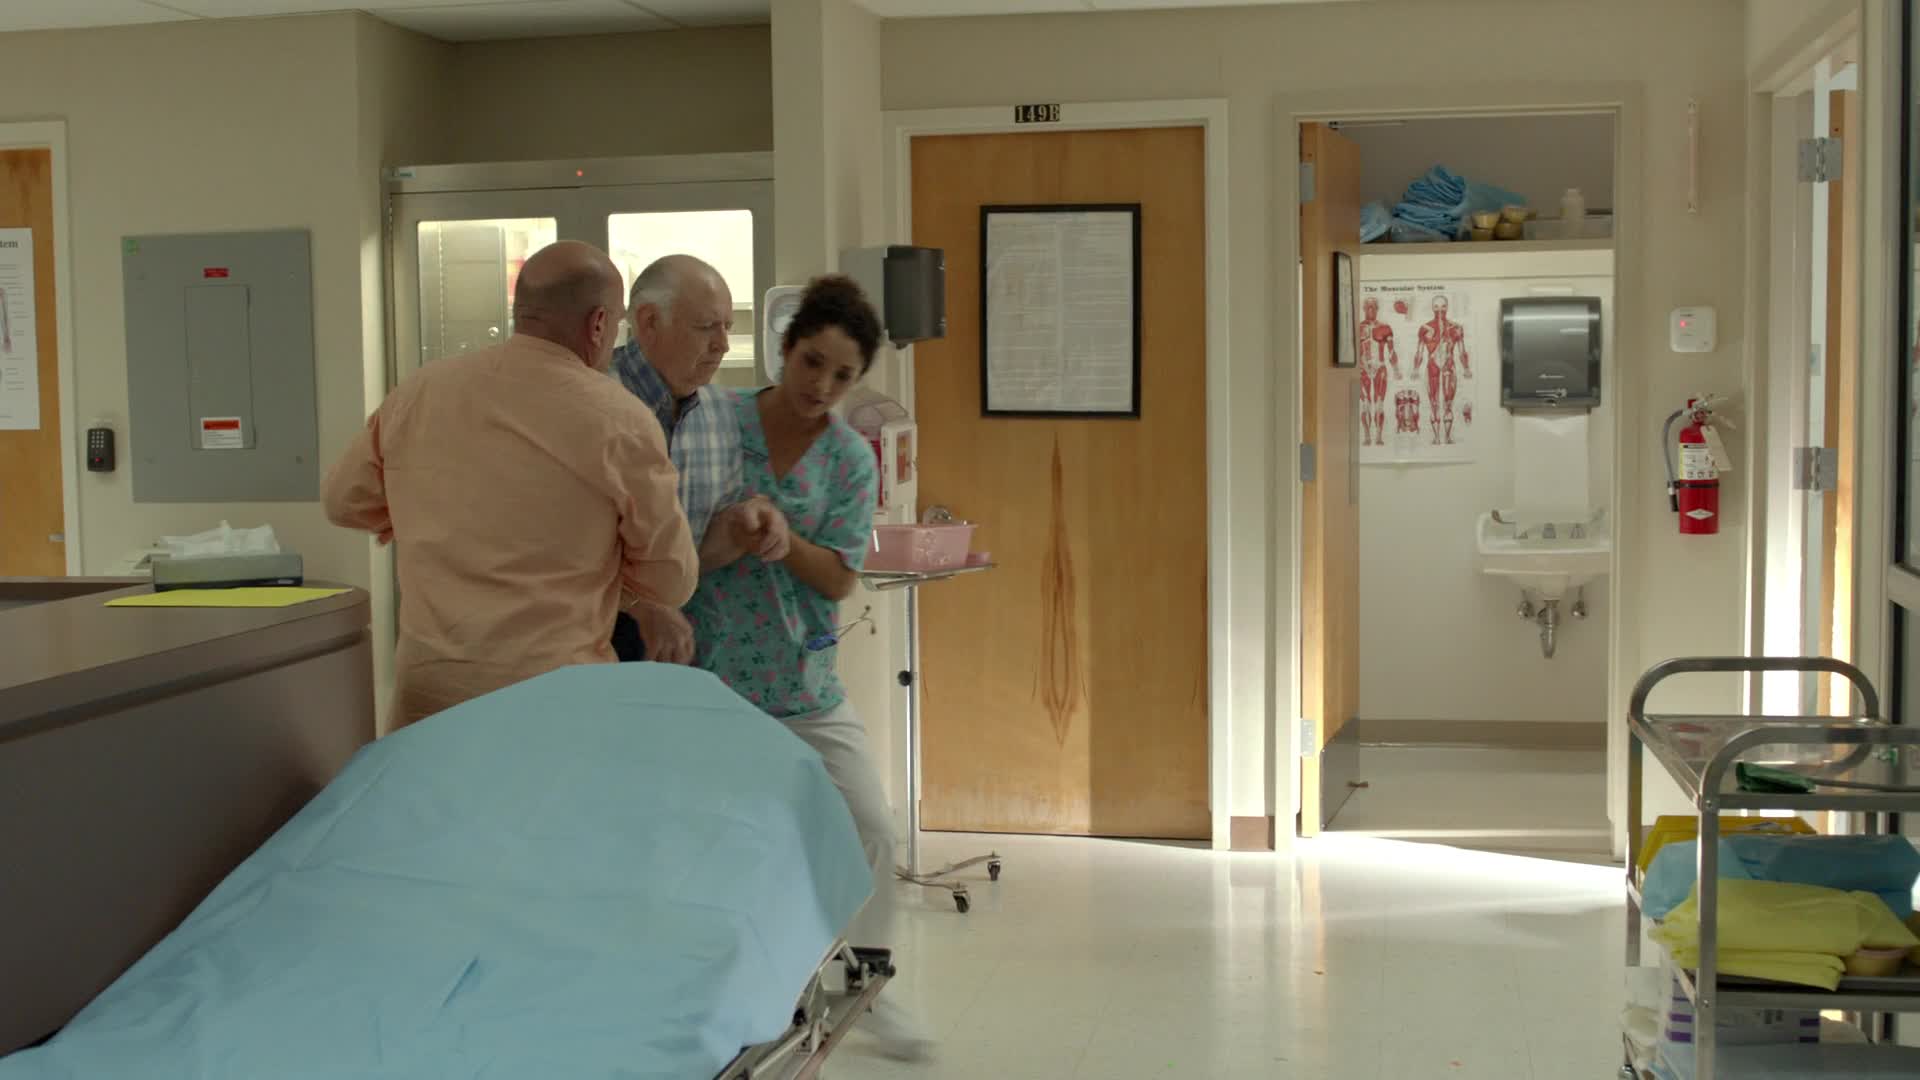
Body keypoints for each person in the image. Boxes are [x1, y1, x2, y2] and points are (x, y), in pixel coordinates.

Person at [686, 275, 933, 1061]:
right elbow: (671, 542)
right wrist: (731, 533)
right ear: (785, 348)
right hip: (708, 680)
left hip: (802, 685)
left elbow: (840, 579)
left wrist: (785, 540)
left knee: (871, 830)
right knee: (719, 847)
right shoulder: (714, 423)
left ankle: (866, 978)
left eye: (842, 376)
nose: (821, 386)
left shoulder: (850, 461)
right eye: (812, 362)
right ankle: (722, 997)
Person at [323, 241, 697, 729]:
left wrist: (422, 513)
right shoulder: (620, 420)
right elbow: (672, 579)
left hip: (432, 703)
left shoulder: (419, 392)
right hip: (554, 705)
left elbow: (343, 502)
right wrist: (615, 573)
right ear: (599, 324)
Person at [607, 254, 788, 665]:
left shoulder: (720, 414)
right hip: (588, 648)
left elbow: (699, 551)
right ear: (648, 322)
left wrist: (748, 520)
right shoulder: (592, 403)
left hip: (684, 646)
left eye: (727, 327)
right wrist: (640, 605)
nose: (722, 344)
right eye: (706, 327)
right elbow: (555, 552)